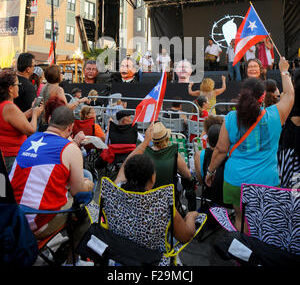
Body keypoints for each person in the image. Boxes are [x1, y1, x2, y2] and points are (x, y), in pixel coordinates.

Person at [205, 57, 294, 231]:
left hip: (236, 180)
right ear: (263, 96)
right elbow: (290, 95)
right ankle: (262, 253)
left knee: (240, 217)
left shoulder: (231, 118)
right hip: (266, 181)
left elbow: (221, 150)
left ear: (243, 93)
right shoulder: (276, 115)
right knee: (266, 219)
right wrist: (284, 70)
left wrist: (210, 171)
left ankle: (243, 255)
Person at [9, 106, 94, 264]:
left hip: (12, 216)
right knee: (83, 214)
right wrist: (88, 185)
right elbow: (77, 191)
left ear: (49, 121)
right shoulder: (70, 149)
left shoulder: (30, 139)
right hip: (37, 221)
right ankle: (72, 261)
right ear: (70, 128)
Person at [114, 124, 199, 244]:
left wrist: (145, 143)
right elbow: (186, 236)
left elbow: (125, 165)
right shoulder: (163, 206)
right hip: (154, 251)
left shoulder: (116, 191)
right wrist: (191, 216)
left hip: (123, 245)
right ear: (152, 178)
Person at [0, 69, 44, 172]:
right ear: (10, 88)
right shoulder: (9, 107)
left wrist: (32, 109)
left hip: (8, 155)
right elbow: (30, 130)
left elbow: (16, 120)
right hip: (11, 157)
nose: (19, 87)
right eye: (17, 84)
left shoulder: (5, 106)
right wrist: (35, 114)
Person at [278, 69, 300, 188]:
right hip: (291, 141)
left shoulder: (288, 96)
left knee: (287, 181)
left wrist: (284, 71)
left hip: (289, 140)